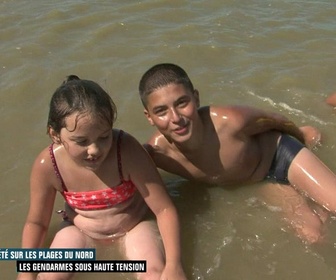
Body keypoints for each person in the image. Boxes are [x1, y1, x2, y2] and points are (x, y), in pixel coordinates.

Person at [138, 63, 336, 244]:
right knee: (314, 234)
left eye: (182, 103)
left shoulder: (230, 121)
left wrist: (300, 135)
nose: (175, 118)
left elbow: (274, 120)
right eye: (161, 111)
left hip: (280, 155)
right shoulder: (156, 154)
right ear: (149, 117)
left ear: (196, 98)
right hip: (261, 181)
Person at [17, 75, 187, 280]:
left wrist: (174, 265)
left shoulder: (126, 150)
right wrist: (25, 273)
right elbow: (37, 223)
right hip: (80, 231)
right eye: (81, 141)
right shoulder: (49, 165)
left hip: (133, 227)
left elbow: (164, 209)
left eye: (104, 136)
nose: (95, 149)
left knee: (154, 274)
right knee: (48, 276)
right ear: (55, 135)